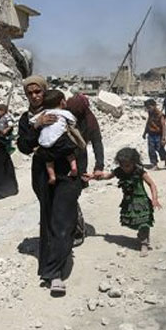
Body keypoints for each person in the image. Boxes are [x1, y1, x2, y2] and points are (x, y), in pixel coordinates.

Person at [17, 76, 82, 296]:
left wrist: (81, 170)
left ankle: (54, 273)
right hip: (43, 173)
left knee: (62, 220)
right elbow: (23, 147)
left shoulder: (61, 111)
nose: (34, 96)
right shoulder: (27, 119)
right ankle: (51, 260)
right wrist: (36, 126)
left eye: (38, 92)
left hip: (66, 172)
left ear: (45, 91)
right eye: (30, 93)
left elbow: (77, 139)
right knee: (48, 218)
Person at [88, 147, 161, 256]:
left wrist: (155, 199)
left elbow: (152, 184)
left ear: (134, 162)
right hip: (129, 202)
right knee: (134, 221)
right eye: (122, 165)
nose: (125, 168)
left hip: (141, 200)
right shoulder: (119, 171)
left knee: (144, 221)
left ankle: (144, 243)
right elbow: (107, 176)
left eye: (127, 166)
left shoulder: (139, 171)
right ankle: (142, 236)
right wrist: (94, 177)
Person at [65, 93, 105, 247]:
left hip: (79, 159)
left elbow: (97, 142)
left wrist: (99, 166)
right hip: (62, 158)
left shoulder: (90, 121)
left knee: (72, 195)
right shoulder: (64, 116)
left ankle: (77, 230)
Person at [29, 89, 82, 185]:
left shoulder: (44, 113)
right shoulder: (64, 112)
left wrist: (39, 122)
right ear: (62, 102)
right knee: (69, 153)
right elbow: (73, 120)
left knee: (48, 160)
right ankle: (74, 167)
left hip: (45, 142)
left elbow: (32, 121)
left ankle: (52, 176)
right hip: (60, 139)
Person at [143, 99, 166, 169]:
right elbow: (148, 123)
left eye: (149, 107)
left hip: (158, 135)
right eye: (147, 107)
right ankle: (154, 163)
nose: (148, 109)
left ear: (154, 106)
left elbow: (163, 126)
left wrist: (163, 138)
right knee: (151, 150)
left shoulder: (160, 115)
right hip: (151, 134)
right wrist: (145, 132)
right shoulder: (150, 114)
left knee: (160, 149)